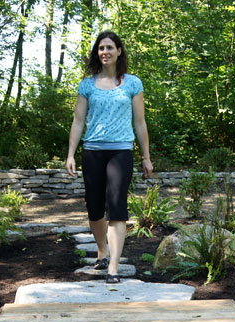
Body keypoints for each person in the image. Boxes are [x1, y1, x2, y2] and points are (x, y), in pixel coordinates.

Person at [66, 31, 153, 284]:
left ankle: (113, 266)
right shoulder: (86, 85)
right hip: (92, 151)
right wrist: (70, 154)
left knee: (117, 207)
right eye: (101, 48)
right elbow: (78, 121)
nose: (104, 52)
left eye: (109, 48)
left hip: (121, 151)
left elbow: (140, 122)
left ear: (119, 51)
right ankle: (102, 251)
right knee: (94, 207)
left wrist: (146, 157)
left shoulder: (133, 83)